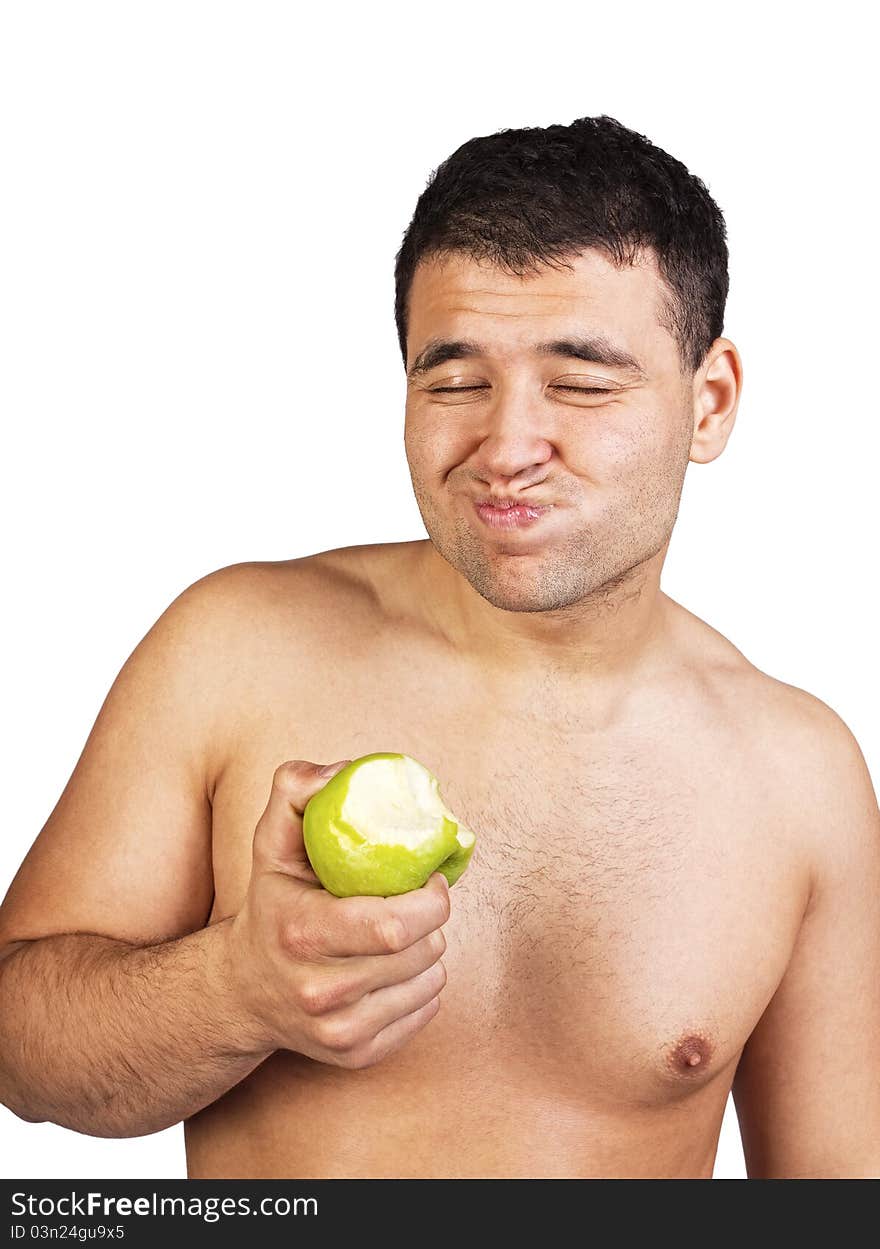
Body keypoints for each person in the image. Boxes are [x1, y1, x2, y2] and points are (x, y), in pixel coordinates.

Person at [1, 114, 878, 1180]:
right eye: (454, 381)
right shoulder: (233, 648)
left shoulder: (801, 774)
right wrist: (236, 988)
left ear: (711, 401)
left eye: (582, 382)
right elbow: (20, 1046)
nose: (505, 448)